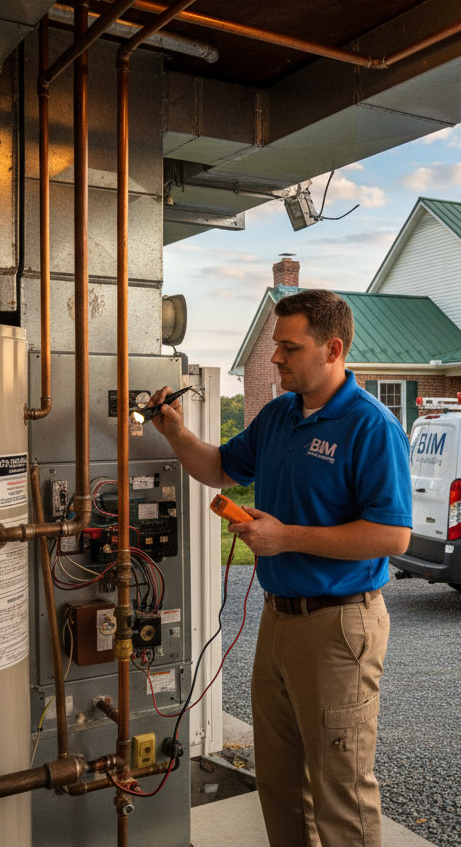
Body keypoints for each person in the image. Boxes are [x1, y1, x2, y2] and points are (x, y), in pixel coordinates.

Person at [146, 289, 412, 847]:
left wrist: (284, 536)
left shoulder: (371, 426)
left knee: (340, 790)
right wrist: (173, 430)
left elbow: (392, 535)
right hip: (278, 620)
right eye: (275, 346)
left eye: (289, 348)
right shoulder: (278, 415)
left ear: (332, 348)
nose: (274, 358)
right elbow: (220, 468)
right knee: (280, 783)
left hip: (339, 626)